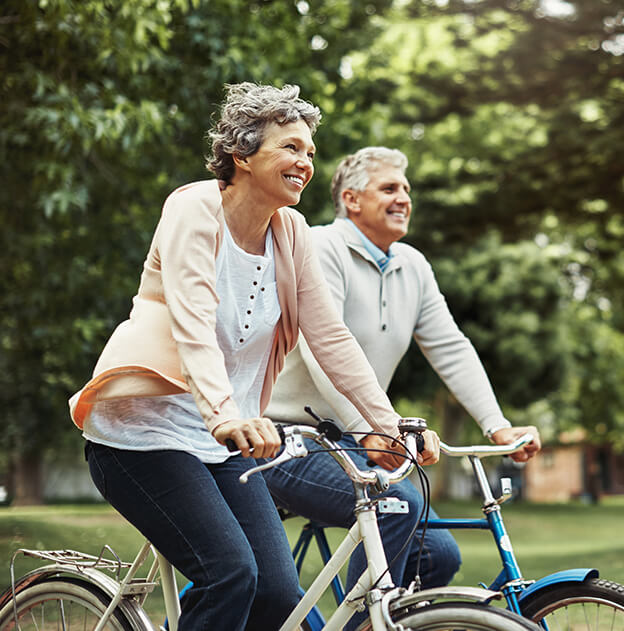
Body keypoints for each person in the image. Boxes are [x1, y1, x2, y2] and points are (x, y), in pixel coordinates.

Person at [68, 88, 440, 631]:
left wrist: (388, 427)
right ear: (242, 155)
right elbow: (192, 319)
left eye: (310, 152)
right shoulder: (193, 208)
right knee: (230, 574)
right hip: (143, 435)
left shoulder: (291, 234)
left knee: (278, 594)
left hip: (227, 445)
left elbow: (330, 338)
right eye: (291, 147)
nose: (305, 163)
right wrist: (224, 413)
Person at [263, 146, 542, 630]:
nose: (403, 199)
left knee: (437, 553)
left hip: (356, 440)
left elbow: (451, 348)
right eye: (390, 188)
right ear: (351, 199)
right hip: (286, 439)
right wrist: (368, 427)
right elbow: (321, 346)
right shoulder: (321, 247)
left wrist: (497, 426)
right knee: (398, 505)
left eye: (406, 190)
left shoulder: (411, 265)